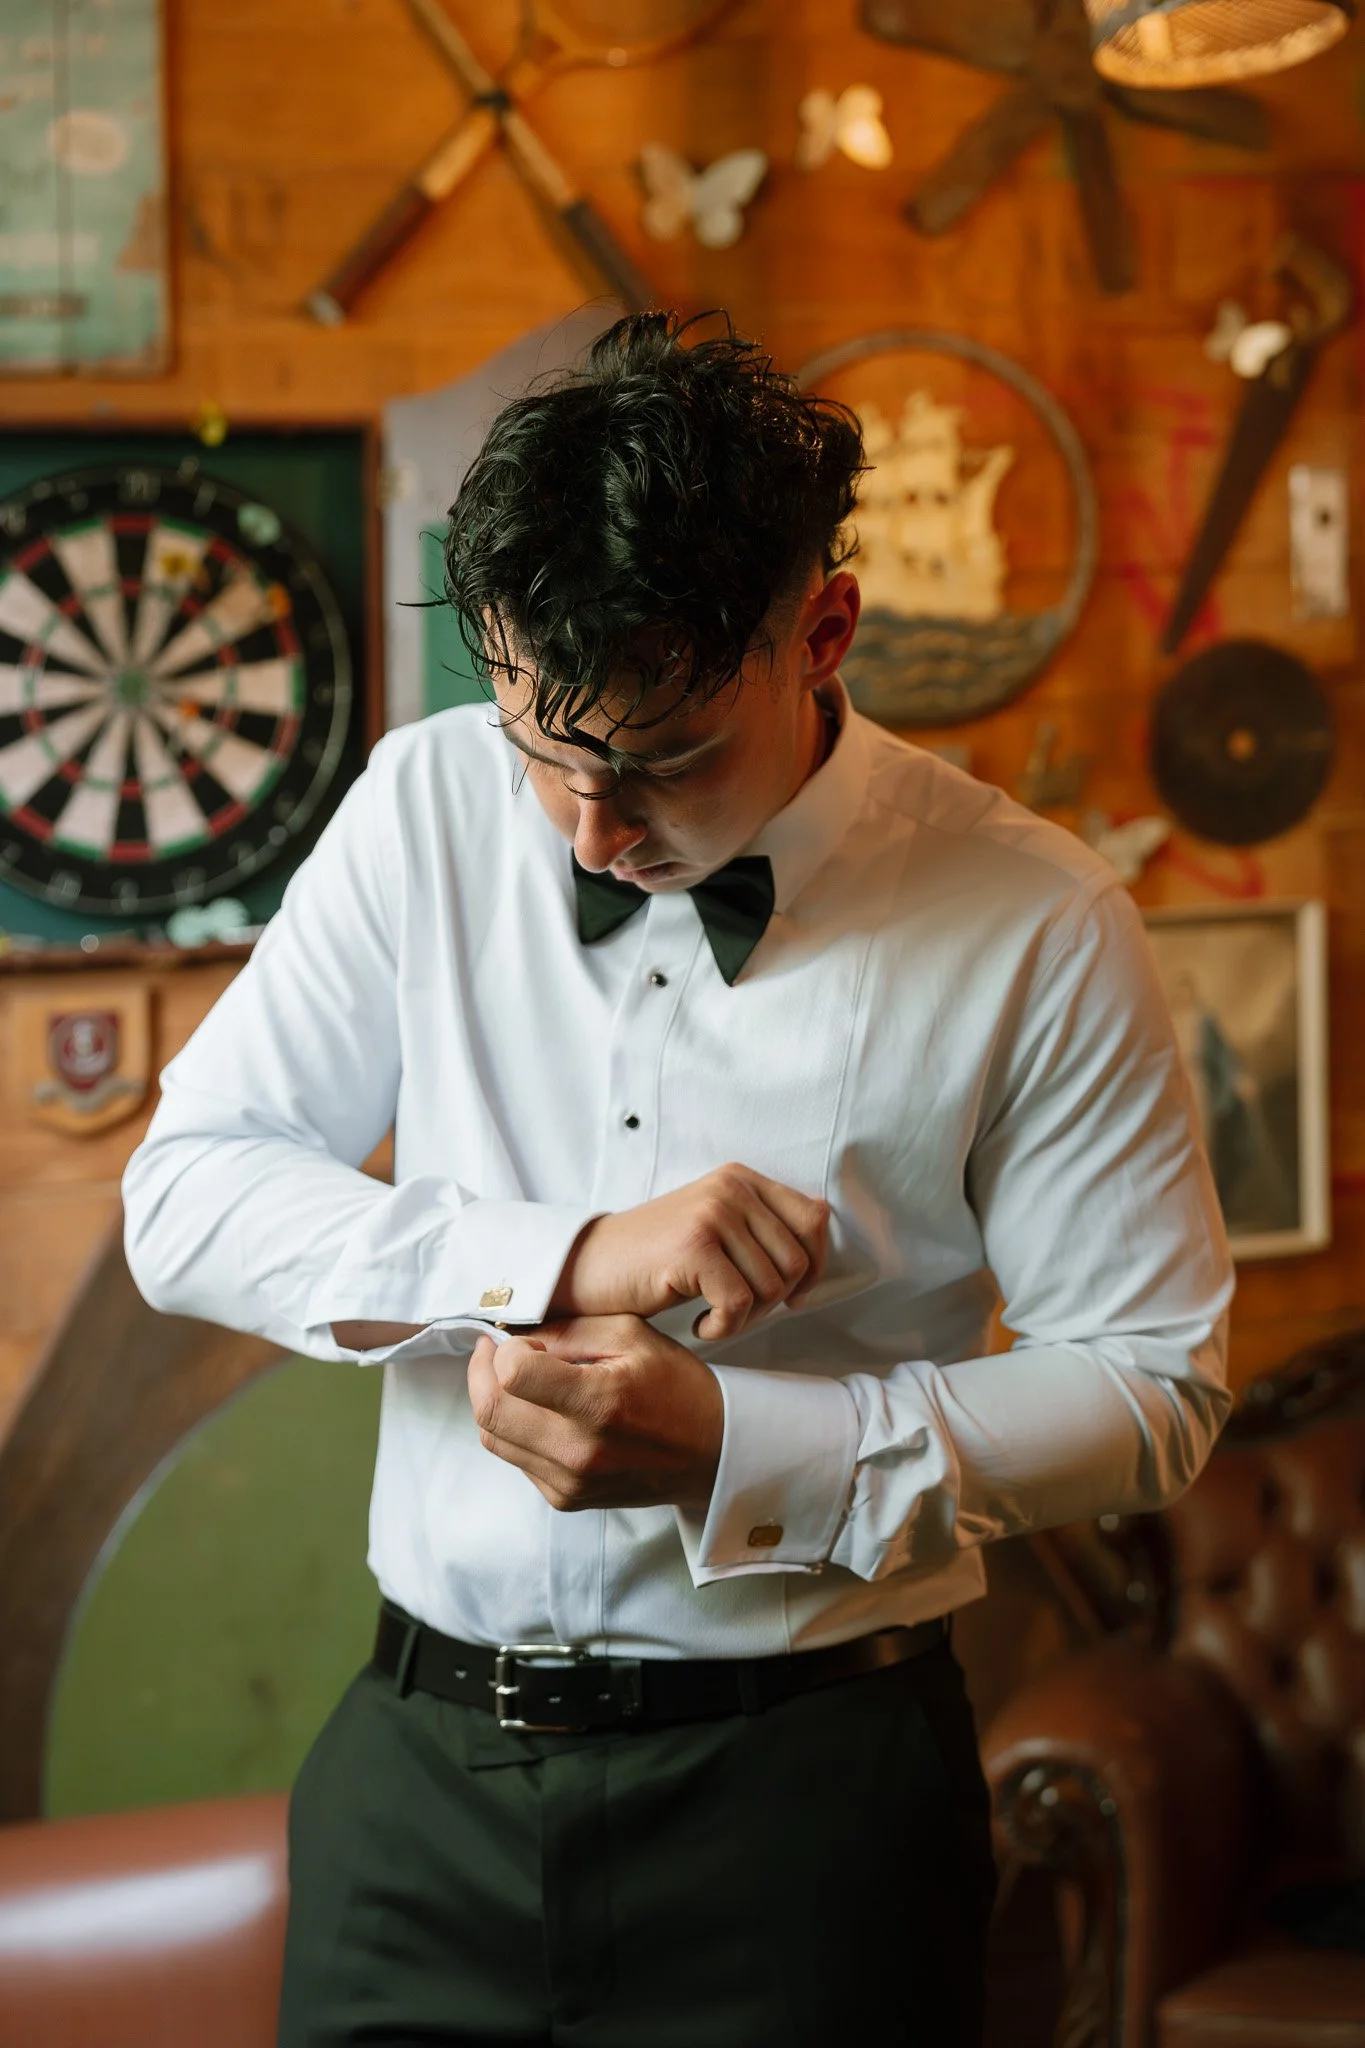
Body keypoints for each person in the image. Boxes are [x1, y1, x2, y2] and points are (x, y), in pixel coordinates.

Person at [122, 311, 1234, 2048]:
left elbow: (1157, 1389)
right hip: (417, 1784)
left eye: (655, 762)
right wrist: (558, 1256)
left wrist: (748, 1449)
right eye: (538, 752)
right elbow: (184, 1192)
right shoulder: (419, 810)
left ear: (826, 631)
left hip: (812, 1816)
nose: (587, 832)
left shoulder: (1042, 922)